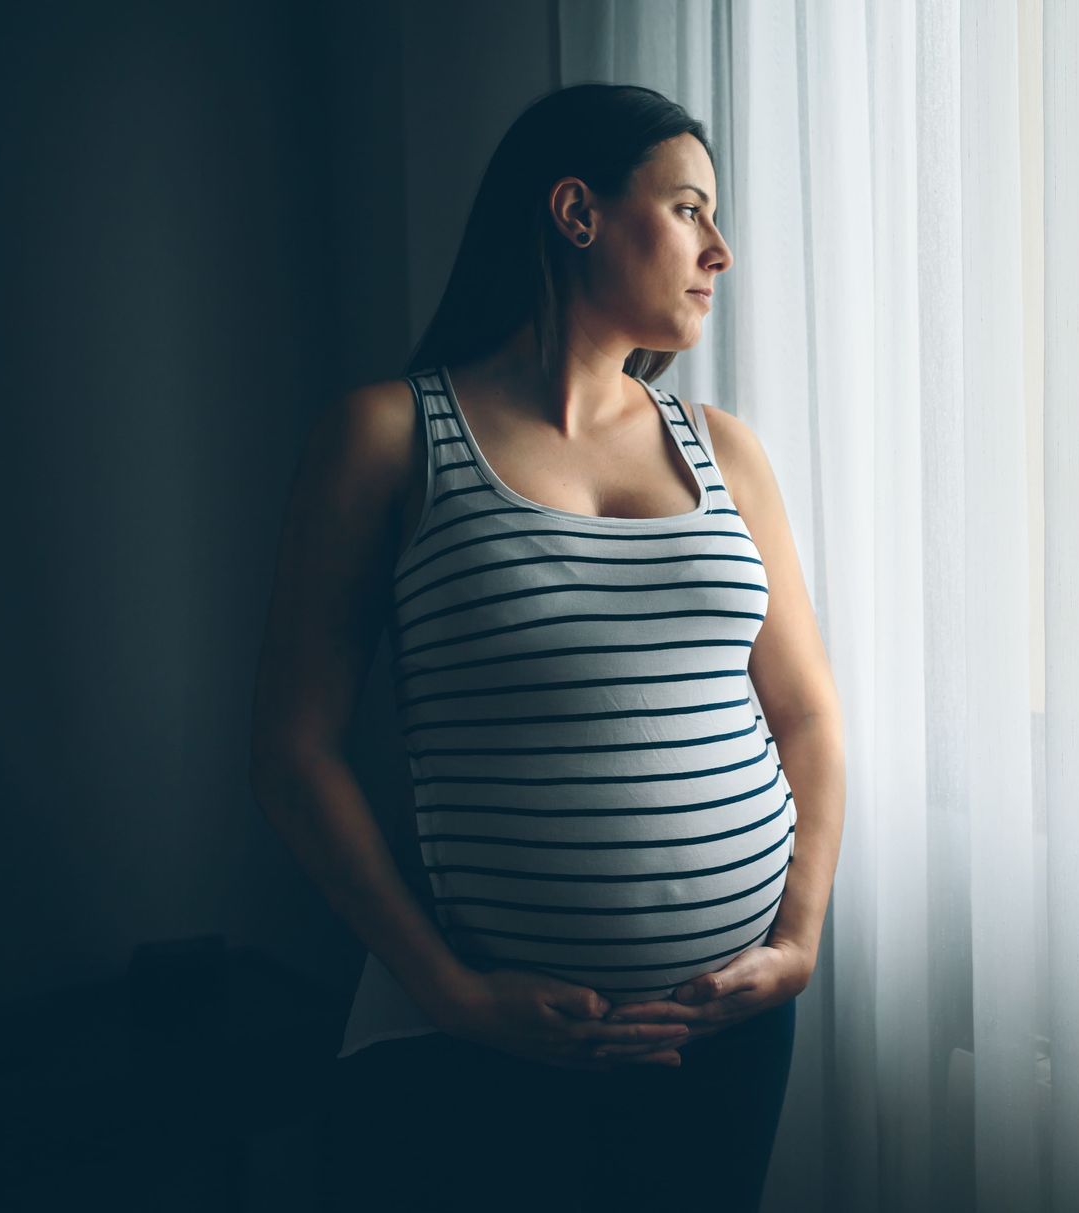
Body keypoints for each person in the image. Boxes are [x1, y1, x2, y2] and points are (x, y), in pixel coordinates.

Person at [247, 83, 845, 1212]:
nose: (720, 250)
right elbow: (292, 753)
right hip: (489, 1050)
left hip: (728, 1038)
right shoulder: (386, 437)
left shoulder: (725, 450)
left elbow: (806, 715)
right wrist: (453, 994)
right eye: (687, 209)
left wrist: (800, 940)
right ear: (577, 212)